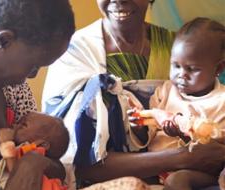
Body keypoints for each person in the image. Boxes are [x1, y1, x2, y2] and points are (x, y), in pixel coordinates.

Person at [42, 0, 225, 188]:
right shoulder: (74, 53)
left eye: (191, 69)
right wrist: (182, 157)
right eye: (176, 67)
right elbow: (76, 163)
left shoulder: (182, 48)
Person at [0, 0, 75, 189]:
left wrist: (34, 162)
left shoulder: (15, 90)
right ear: (4, 40)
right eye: (34, 66)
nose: (32, 76)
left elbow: (56, 163)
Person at [128, 17, 225, 190]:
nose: (181, 75)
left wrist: (186, 133)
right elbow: (149, 134)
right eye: (176, 66)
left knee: (177, 181)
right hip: (157, 166)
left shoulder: (221, 101)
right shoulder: (165, 91)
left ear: (218, 69)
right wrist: (139, 126)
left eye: (192, 69)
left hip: (199, 171)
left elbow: (217, 147)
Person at [0, 111, 69, 190]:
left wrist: (6, 144)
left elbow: (19, 177)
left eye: (23, 125)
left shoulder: (35, 151)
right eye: (18, 122)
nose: (15, 125)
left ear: (42, 145)